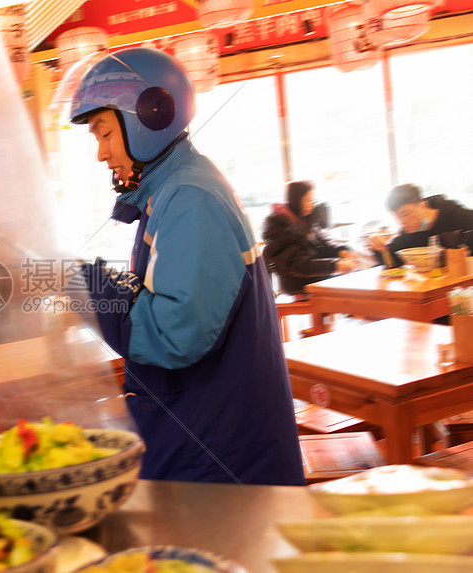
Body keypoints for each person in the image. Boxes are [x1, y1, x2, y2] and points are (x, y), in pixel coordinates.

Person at [69, 47, 304, 485]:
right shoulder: (172, 191)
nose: (102, 154)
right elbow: (161, 290)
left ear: (148, 117)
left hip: (216, 455)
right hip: (206, 436)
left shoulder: (189, 198)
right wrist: (89, 276)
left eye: (104, 134)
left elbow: (173, 334)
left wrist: (81, 283)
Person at [262, 181, 357, 297]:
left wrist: (341, 250)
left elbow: (323, 243)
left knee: (355, 278)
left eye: (312, 200)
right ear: (296, 200)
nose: (311, 205)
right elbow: (298, 265)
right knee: (351, 288)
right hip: (297, 283)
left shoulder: (306, 219)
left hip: (316, 276)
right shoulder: (278, 225)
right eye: (307, 200)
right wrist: (335, 265)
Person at [369, 183, 473, 267]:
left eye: (405, 214)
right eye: (396, 217)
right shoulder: (408, 234)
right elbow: (391, 262)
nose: (401, 222)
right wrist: (377, 247)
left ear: (423, 205)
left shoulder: (458, 216)